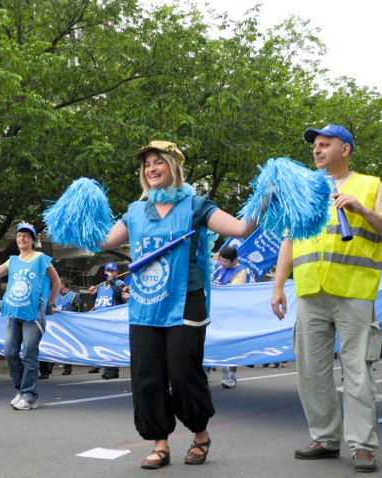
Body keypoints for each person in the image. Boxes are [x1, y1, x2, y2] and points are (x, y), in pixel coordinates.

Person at [98, 140, 256, 469]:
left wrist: (264, 198)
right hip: (145, 304)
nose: (151, 168)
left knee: (184, 373)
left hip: (187, 299)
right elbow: (102, 241)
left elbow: (241, 228)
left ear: (174, 167)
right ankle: (160, 445)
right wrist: (79, 215)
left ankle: (200, 434)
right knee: (147, 375)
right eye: (147, 165)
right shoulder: (134, 211)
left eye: (158, 162)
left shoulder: (197, 206)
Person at [271, 124, 382, 473]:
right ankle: (325, 438)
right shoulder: (305, 191)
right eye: (315, 145)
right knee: (310, 373)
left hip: (354, 294)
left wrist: (363, 211)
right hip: (310, 294)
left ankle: (363, 446)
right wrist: (278, 286)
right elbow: (289, 240)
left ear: (344, 149)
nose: (316, 150)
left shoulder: (370, 186)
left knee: (358, 371)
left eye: (324, 144)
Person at [0, 223, 61, 410]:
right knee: (9, 352)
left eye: (26, 235)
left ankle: (30, 395)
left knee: (29, 354)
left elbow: (56, 281)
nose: (22, 238)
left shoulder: (41, 258)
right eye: (19, 235)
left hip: (33, 311)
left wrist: (50, 304)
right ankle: (21, 391)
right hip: (14, 311)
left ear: (33, 239)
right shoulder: (12, 261)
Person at [210, 245, 253, 389]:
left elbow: (233, 291)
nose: (223, 264)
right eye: (221, 260)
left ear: (234, 260)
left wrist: (214, 286)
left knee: (232, 343)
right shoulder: (217, 266)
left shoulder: (241, 272)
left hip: (232, 313)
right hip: (215, 311)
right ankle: (211, 366)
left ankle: (232, 375)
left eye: (226, 261)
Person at [88, 263, 128, 379]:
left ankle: (109, 370)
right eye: (107, 270)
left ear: (116, 272)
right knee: (106, 343)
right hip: (101, 319)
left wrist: (111, 281)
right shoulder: (101, 286)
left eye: (112, 270)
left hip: (113, 318)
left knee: (109, 344)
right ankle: (113, 370)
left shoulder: (119, 283)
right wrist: (92, 295)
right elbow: (97, 301)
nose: (109, 272)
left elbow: (118, 293)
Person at [55, 277, 81, 375]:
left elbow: (76, 309)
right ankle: (46, 371)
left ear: (62, 285)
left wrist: (61, 311)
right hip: (56, 324)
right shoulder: (55, 295)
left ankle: (67, 369)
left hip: (68, 325)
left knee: (67, 346)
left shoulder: (74, 296)